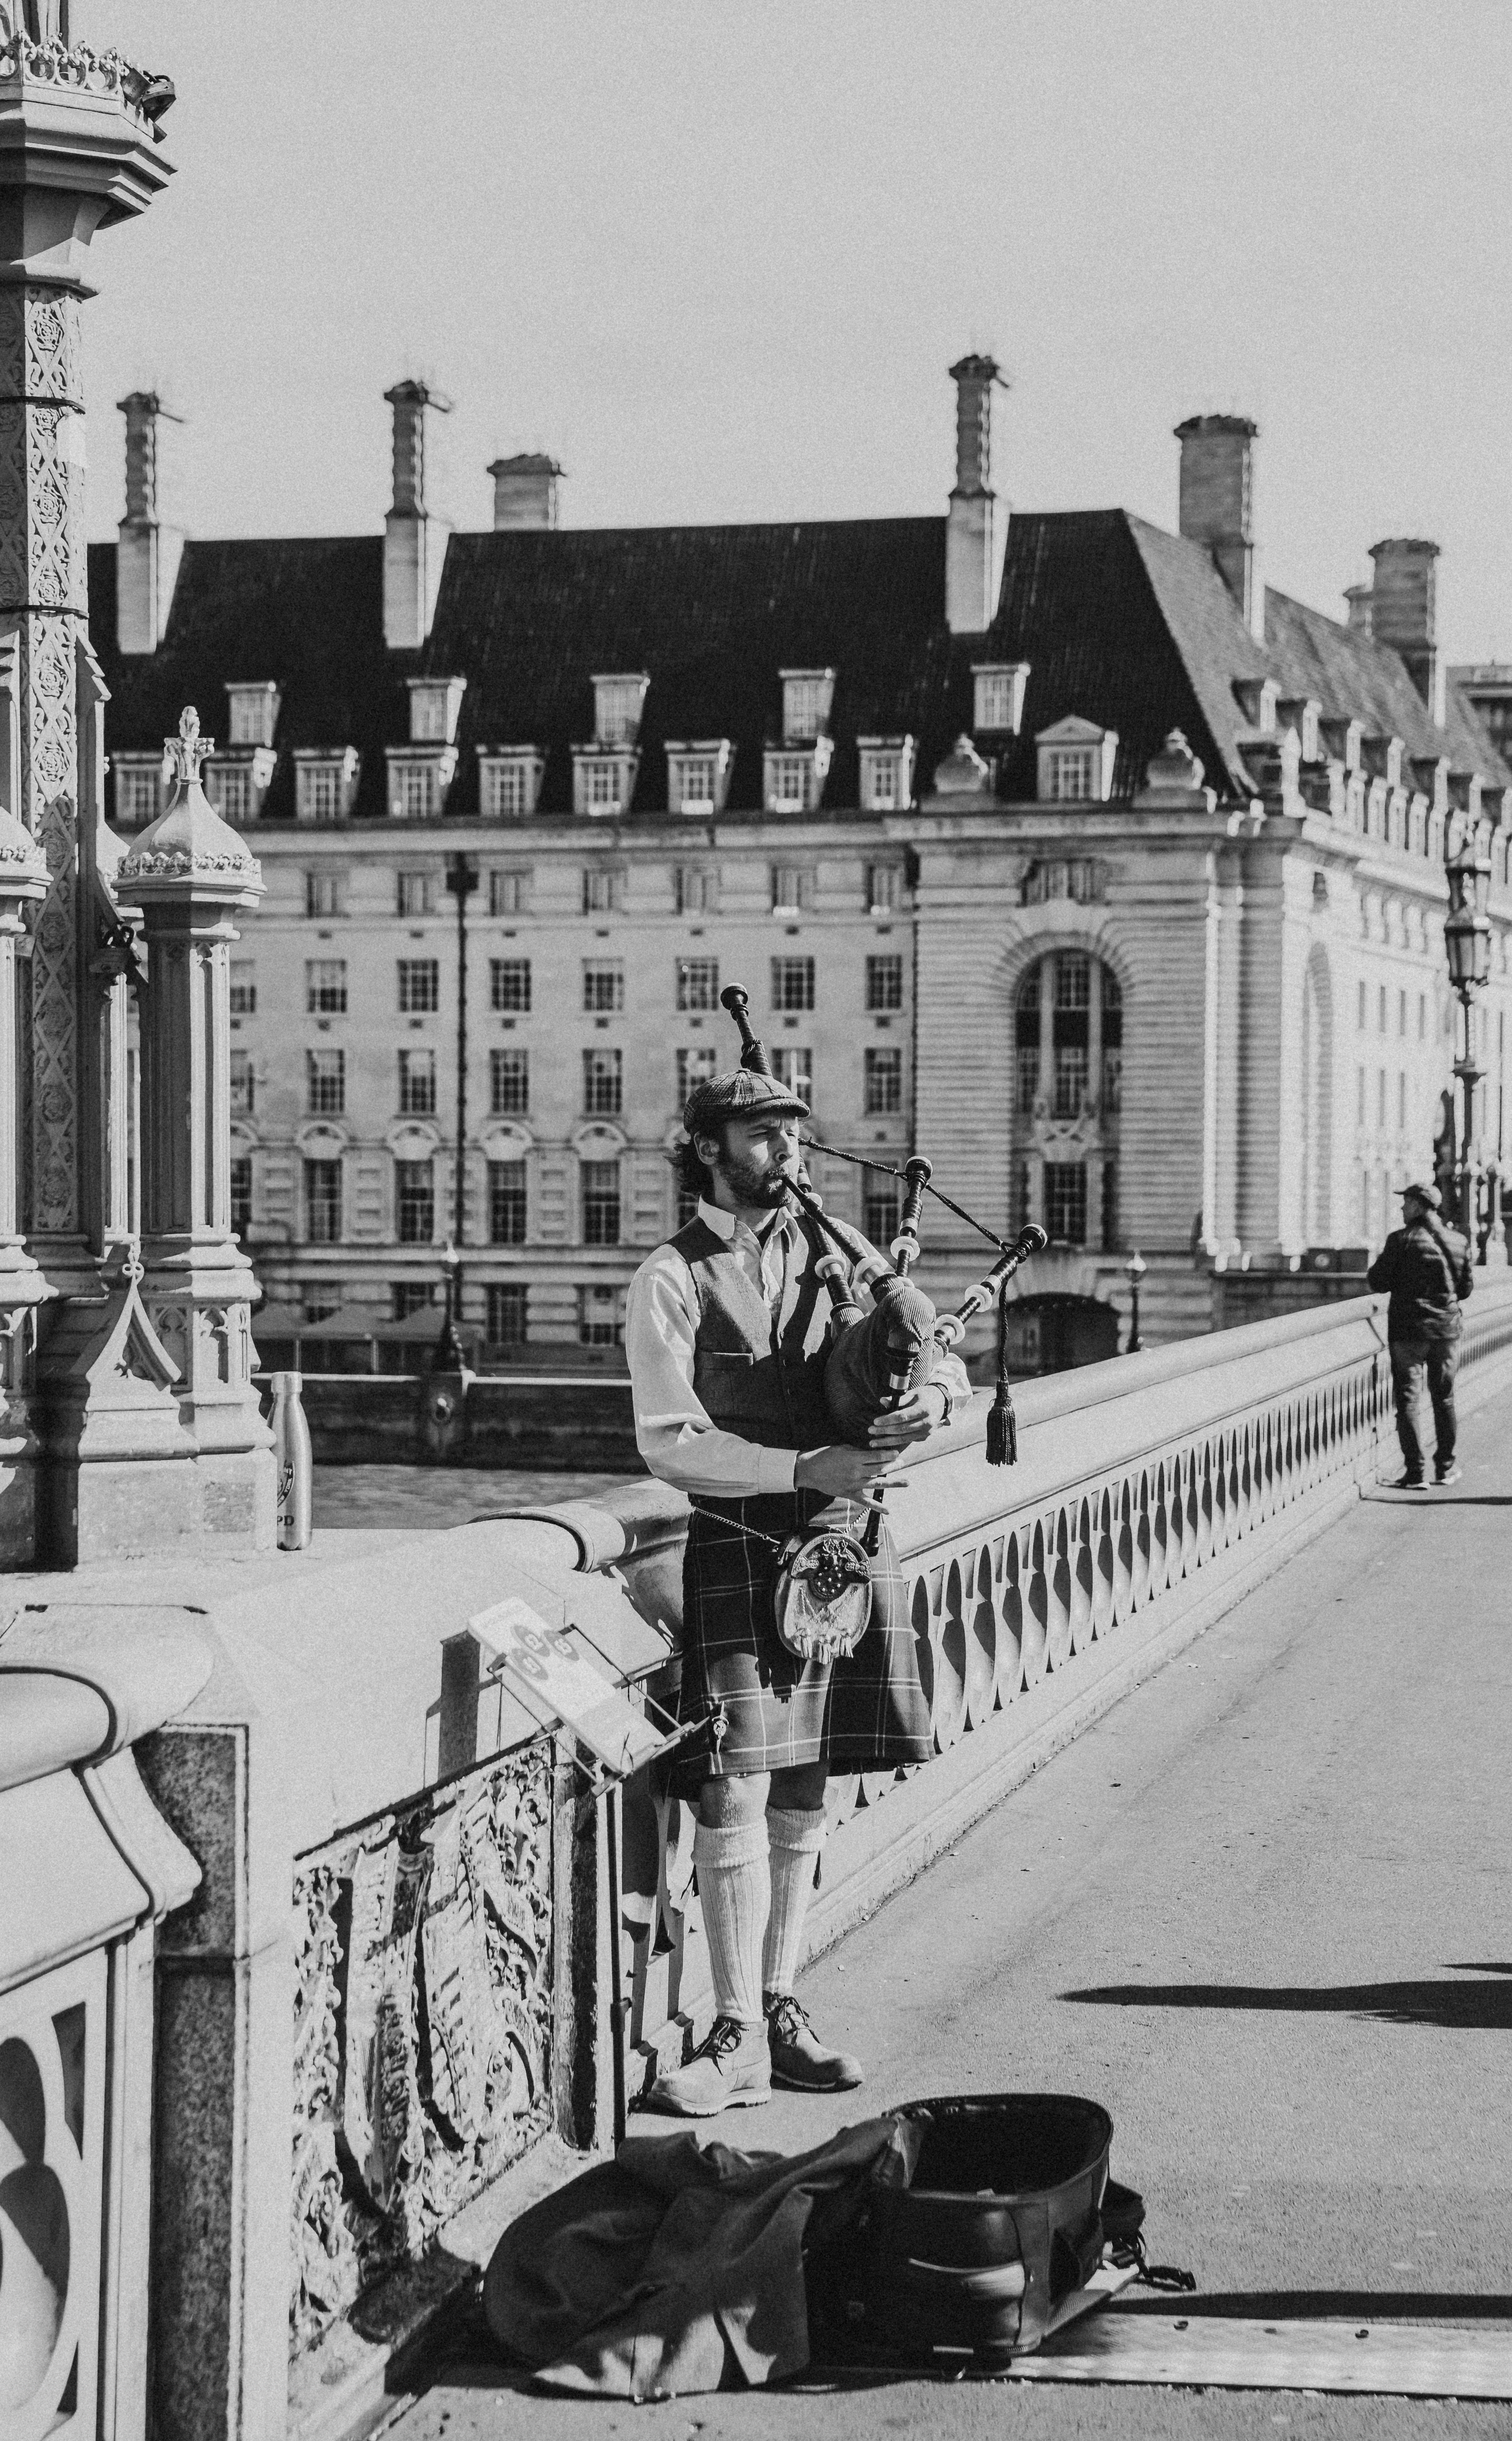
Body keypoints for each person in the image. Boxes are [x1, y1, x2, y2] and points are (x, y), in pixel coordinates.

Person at [625, 1068, 970, 2116]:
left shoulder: (841, 1254)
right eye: (761, 1134)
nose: (787, 1151)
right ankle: (729, 2028)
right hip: (739, 1533)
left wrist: (931, 1412)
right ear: (707, 1147)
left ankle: (779, 2007)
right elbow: (667, 1441)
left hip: (840, 1542)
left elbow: (943, 1360)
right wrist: (799, 1468)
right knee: (731, 1781)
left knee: (805, 1783)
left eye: (793, 1134)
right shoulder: (670, 1275)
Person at [1366, 1180, 1473, 1489]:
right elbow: (1464, 1290)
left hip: (1408, 1331)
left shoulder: (1400, 1241)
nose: (1401, 1207)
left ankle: (1415, 1473)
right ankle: (1445, 1469)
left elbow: (1377, 1282)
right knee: (1445, 1399)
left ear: (1417, 1206)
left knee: (1409, 1401)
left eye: (1405, 1202)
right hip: (1446, 1331)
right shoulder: (1457, 1240)